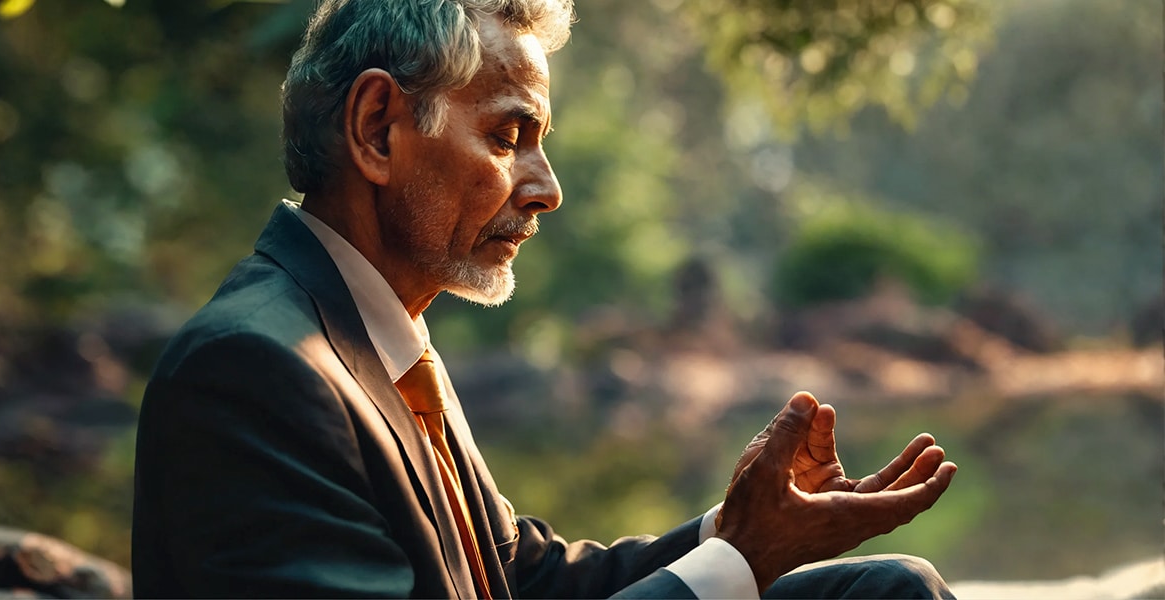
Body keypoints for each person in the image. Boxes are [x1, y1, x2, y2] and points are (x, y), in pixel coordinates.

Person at [131, 0, 959, 597]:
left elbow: (517, 578)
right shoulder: (253, 369)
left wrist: (743, 528)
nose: (547, 190)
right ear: (379, 128)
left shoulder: (374, 338)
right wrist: (741, 556)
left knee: (885, 591)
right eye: (507, 136)